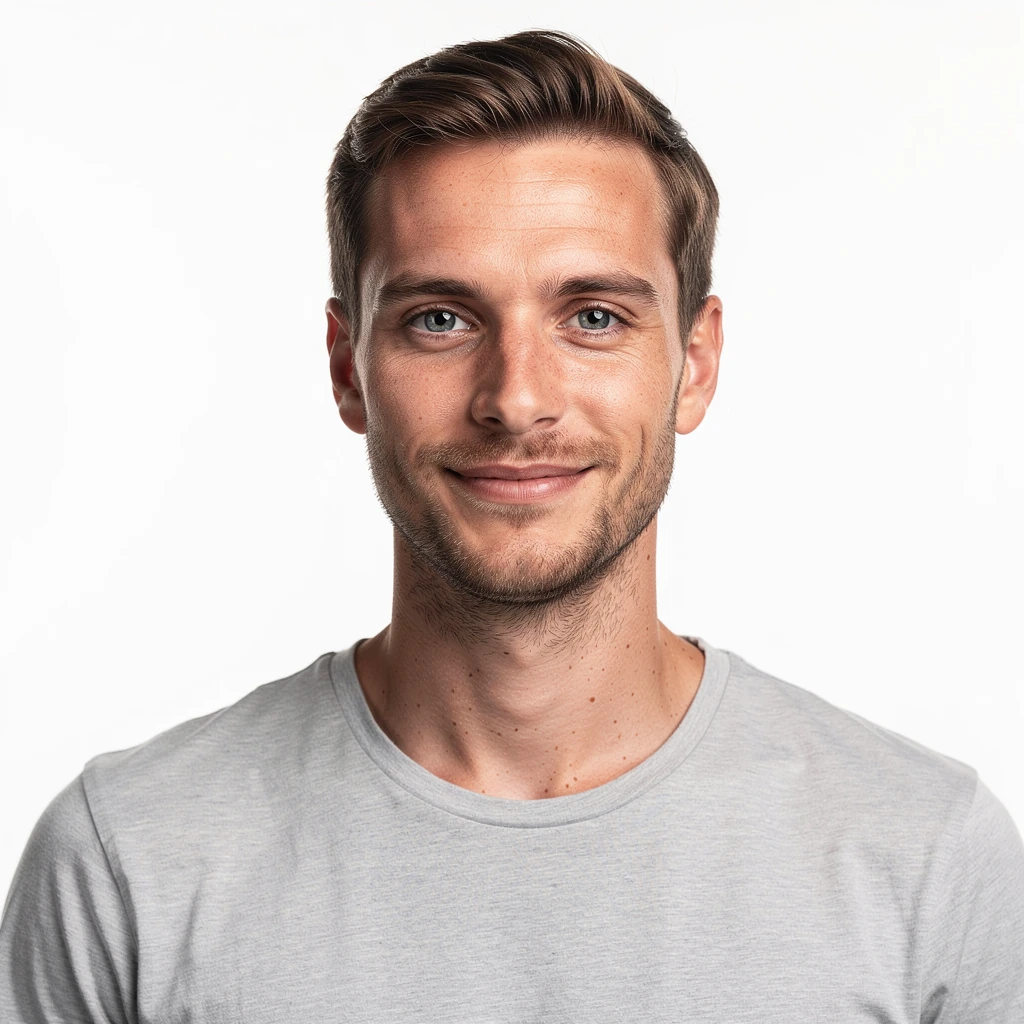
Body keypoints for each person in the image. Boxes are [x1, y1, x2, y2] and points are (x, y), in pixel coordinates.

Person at [2, 27, 1022, 1023]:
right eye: (440, 317)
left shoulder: (925, 860)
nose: (517, 399)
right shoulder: (130, 859)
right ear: (347, 365)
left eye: (593, 317)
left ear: (695, 364)